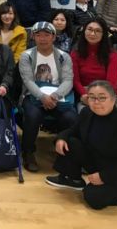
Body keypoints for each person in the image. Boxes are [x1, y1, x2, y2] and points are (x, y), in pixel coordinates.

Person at [45, 80, 117, 210]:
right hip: (101, 159)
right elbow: (73, 130)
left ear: (113, 99)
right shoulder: (87, 113)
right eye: (92, 97)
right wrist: (61, 138)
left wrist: (103, 177)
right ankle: (73, 179)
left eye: (102, 98)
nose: (96, 102)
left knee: (93, 197)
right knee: (69, 141)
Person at [18, 22, 77, 172]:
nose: (42, 38)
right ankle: (28, 152)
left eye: (46, 35)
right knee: (32, 115)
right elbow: (27, 81)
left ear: (54, 37)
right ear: (33, 37)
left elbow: (68, 80)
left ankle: (64, 152)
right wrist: (42, 97)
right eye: (38, 35)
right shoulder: (26, 56)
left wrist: (55, 96)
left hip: (58, 96)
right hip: (33, 95)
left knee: (70, 117)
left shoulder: (64, 56)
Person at [71, 18, 117, 111]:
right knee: (86, 114)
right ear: (84, 31)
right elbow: (76, 81)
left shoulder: (113, 54)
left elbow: (111, 83)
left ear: (104, 34)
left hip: (110, 93)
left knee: (113, 115)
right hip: (86, 94)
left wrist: (99, 98)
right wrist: (85, 95)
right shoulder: (75, 53)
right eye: (90, 29)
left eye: (97, 31)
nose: (92, 34)